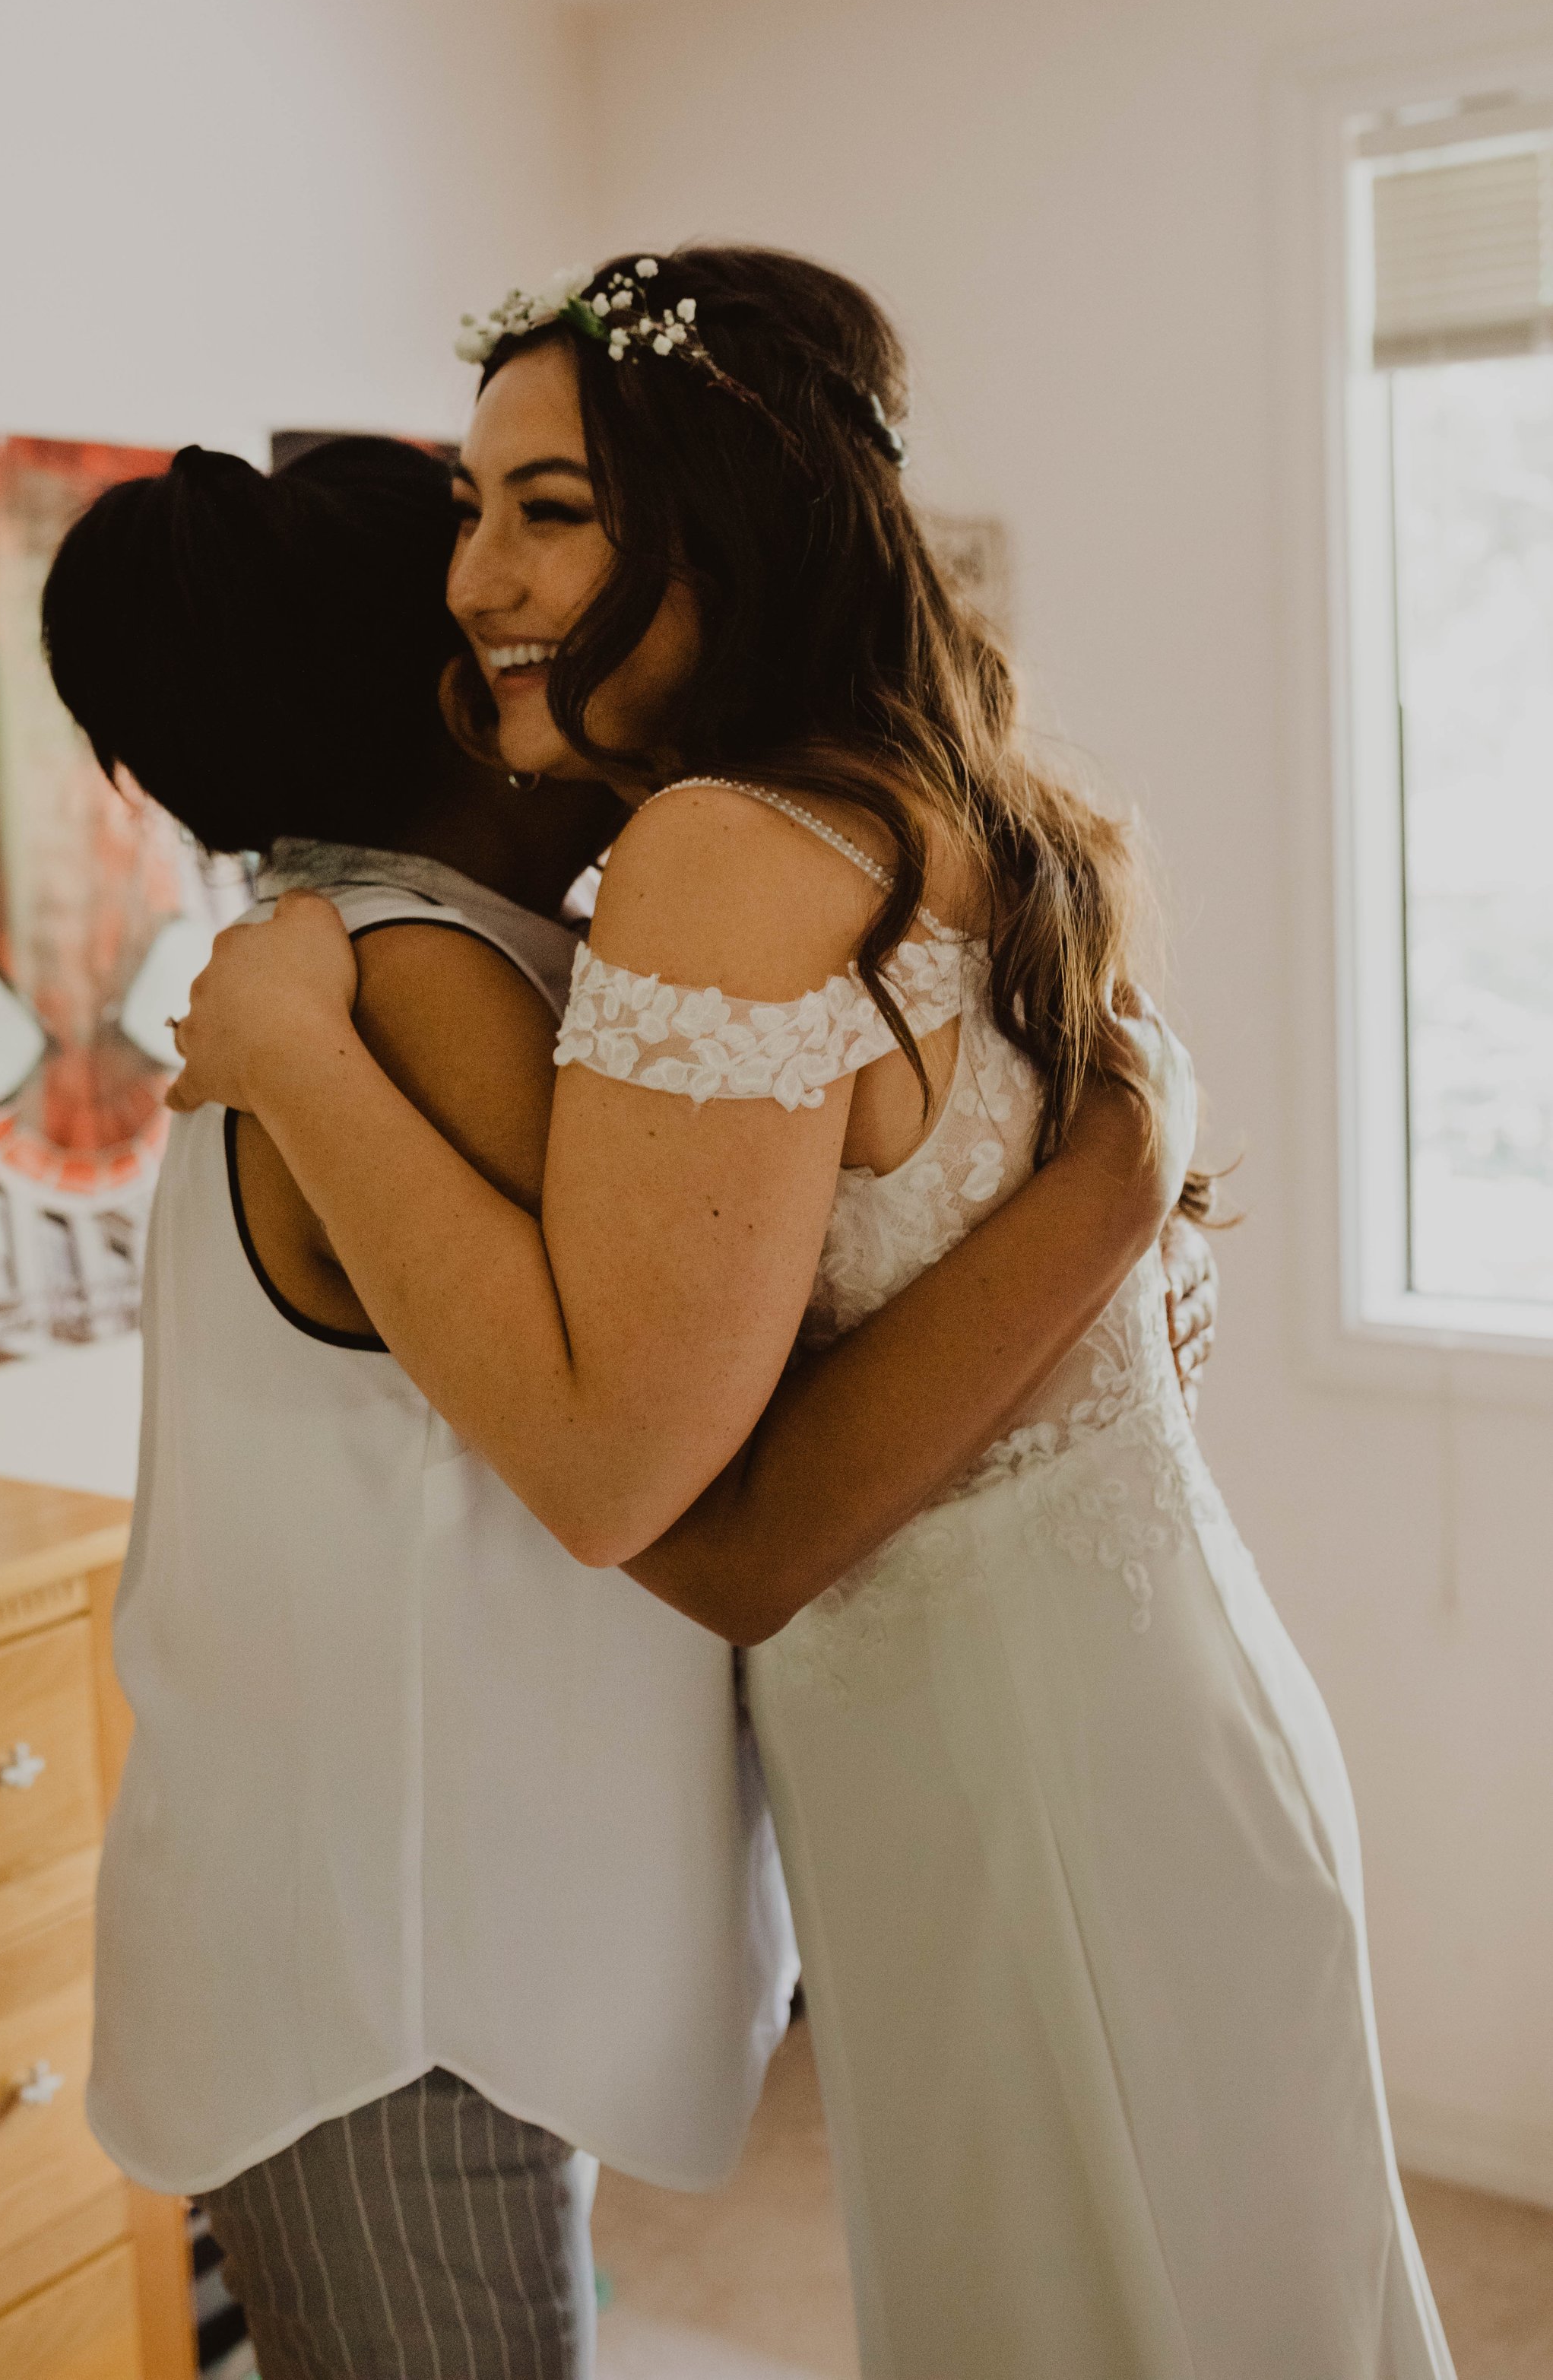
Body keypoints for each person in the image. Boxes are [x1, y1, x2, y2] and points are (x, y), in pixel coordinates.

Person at [173, 245, 1454, 2380]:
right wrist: (1118, 1204)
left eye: (546, 506)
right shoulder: (964, 801)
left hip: (1022, 1786)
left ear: (732, 512)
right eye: (471, 506)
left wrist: (300, 1063)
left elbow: (620, 1481)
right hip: (1142, 1714)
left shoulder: (719, 851)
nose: (472, 572)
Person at [46, 432, 1210, 2380]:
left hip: (427, 1946)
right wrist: (1099, 1200)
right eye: (499, 602)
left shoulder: (413, 954)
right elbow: (729, 1451)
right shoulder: (414, 991)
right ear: (459, 699)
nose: (560, 636)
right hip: (392, 1992)